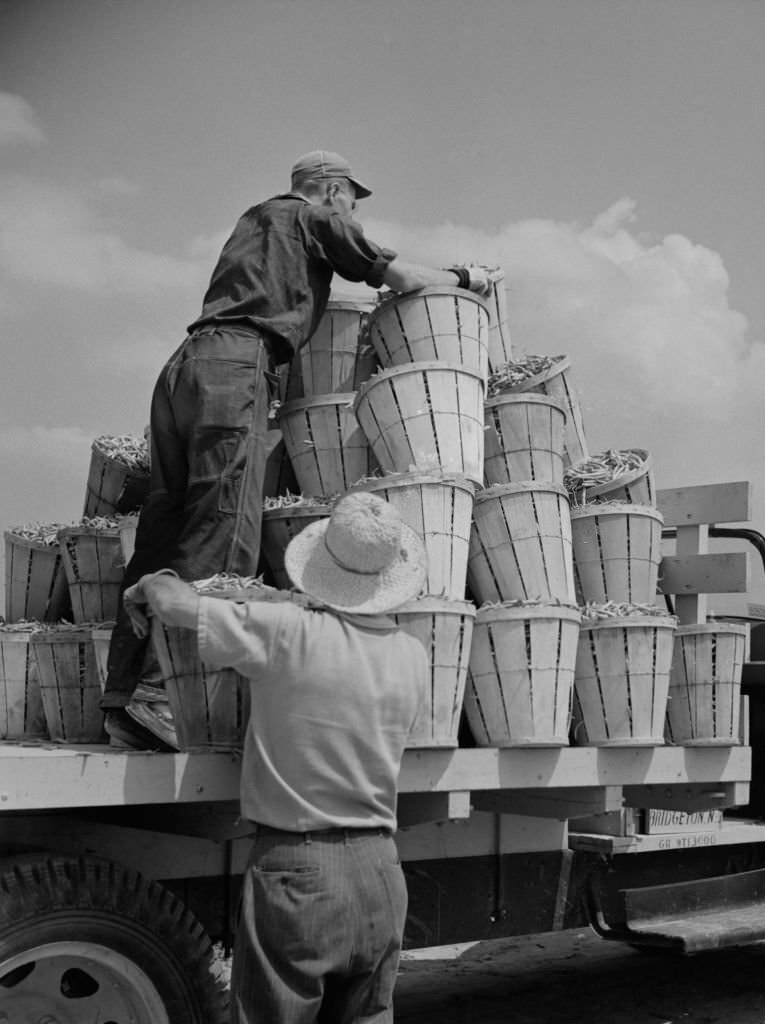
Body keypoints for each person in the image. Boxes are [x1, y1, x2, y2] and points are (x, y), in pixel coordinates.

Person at [102, 149, 491, 748]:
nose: (353, 213)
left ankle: (123, 698)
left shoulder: (253, 220)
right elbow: (402, 277)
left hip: (184, 368)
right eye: (353, 203)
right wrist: (465, 278)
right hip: (238, 366)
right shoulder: (314, 219)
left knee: (164, 526)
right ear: (334, 191)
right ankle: (164, 698)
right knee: (225, 525)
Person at [122, 490, 429, 1023]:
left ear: (320, 570)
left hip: (300, 872)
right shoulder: (412, 654)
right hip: (381, 870)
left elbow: (176, 606)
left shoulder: (287, 632)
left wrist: (150, 580)